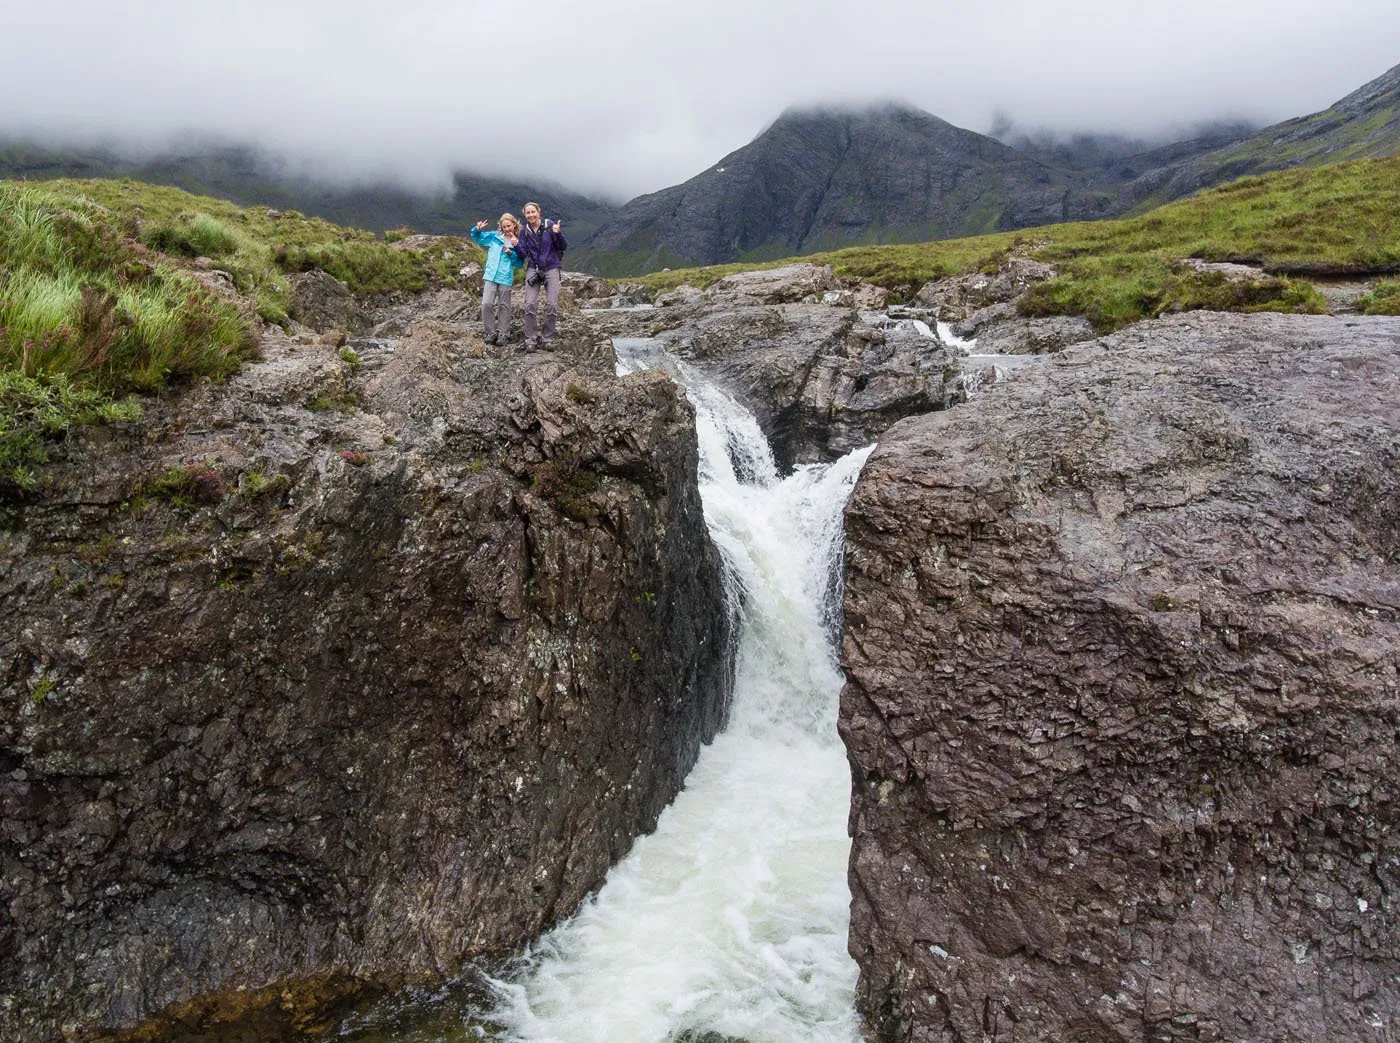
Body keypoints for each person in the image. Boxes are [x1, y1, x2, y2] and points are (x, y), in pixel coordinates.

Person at [514, 201, 566, 349]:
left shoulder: (549, 225)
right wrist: (516, 244)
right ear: (525, 214)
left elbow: (563, 246)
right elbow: (523, 254)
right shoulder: (524, 231)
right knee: (530, 303)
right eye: (528, 213)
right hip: (534, 269)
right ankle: (530, 339)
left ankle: (547, 338)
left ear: (539, 212)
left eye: (533, 212)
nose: (531, 215)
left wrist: (558, 233)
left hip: (551, 267)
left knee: (552, 304)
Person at [469, 213, 523, 346]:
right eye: (504, 226)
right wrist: (477, 229)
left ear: (514, 225)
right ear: (501, 227)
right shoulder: (494, 237)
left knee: (504, 306)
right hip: (491, 275)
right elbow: (478, 238)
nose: (507, 229)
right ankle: (490, 332)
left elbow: (519, 263)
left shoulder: (518, 242)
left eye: (509, 226)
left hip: (505, 277)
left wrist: (511, 253)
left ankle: (504, 334)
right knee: (486, 303)